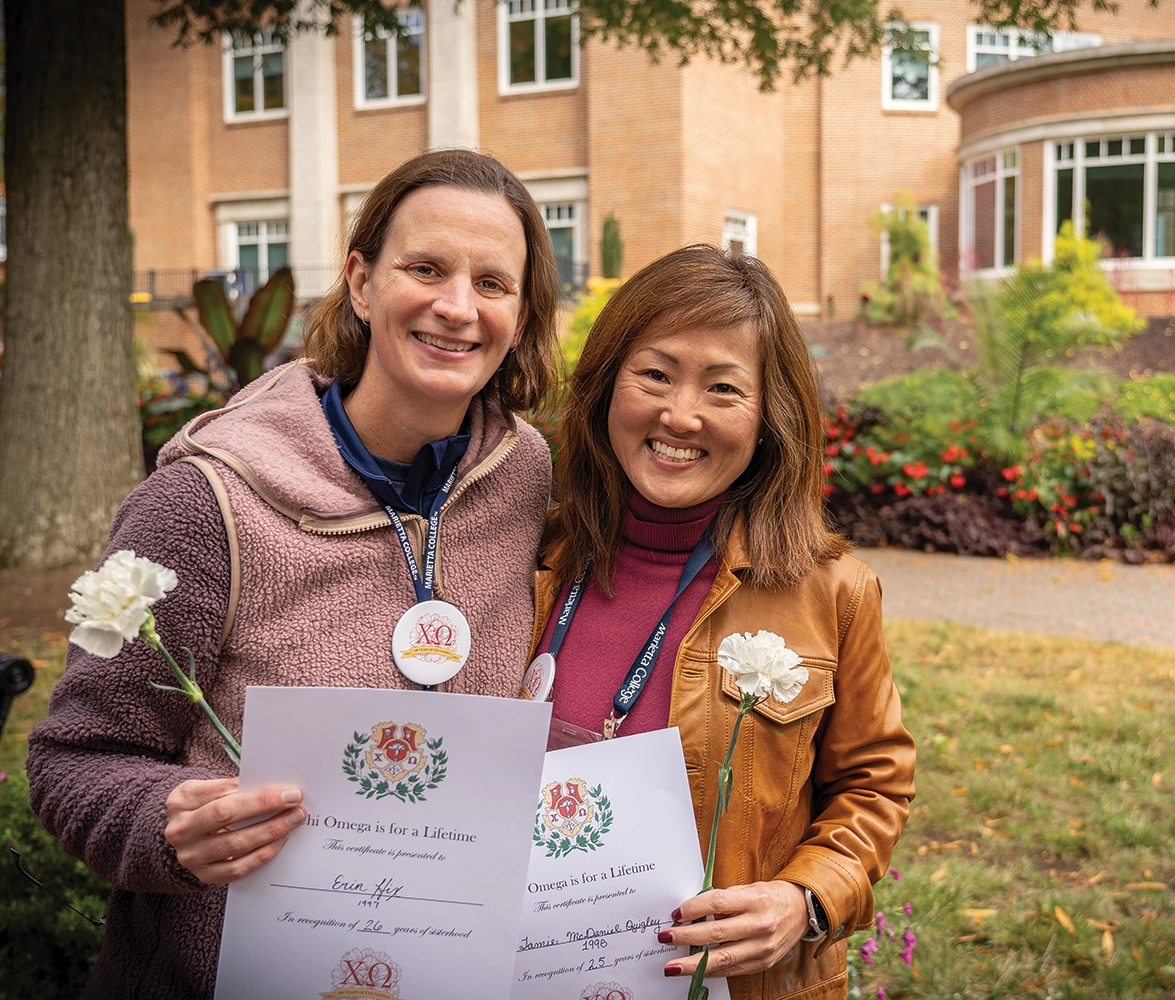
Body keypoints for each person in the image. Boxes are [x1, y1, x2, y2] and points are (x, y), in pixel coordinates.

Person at [27, 149, 557, 998]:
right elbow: (72, 762)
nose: (458, 308)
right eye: (425, 268)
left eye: (493, 283)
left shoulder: (525, 477)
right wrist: (171, 828)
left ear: (522, 313)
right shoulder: (206, 504)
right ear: (360, 281)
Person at [533, 244, 916, 999]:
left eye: (723, 388)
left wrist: (806, 899)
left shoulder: (833, 594)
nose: (681, 414)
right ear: (607, 381)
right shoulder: (532, 556)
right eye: (655, 374)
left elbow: (875, 787)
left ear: (769, 417)